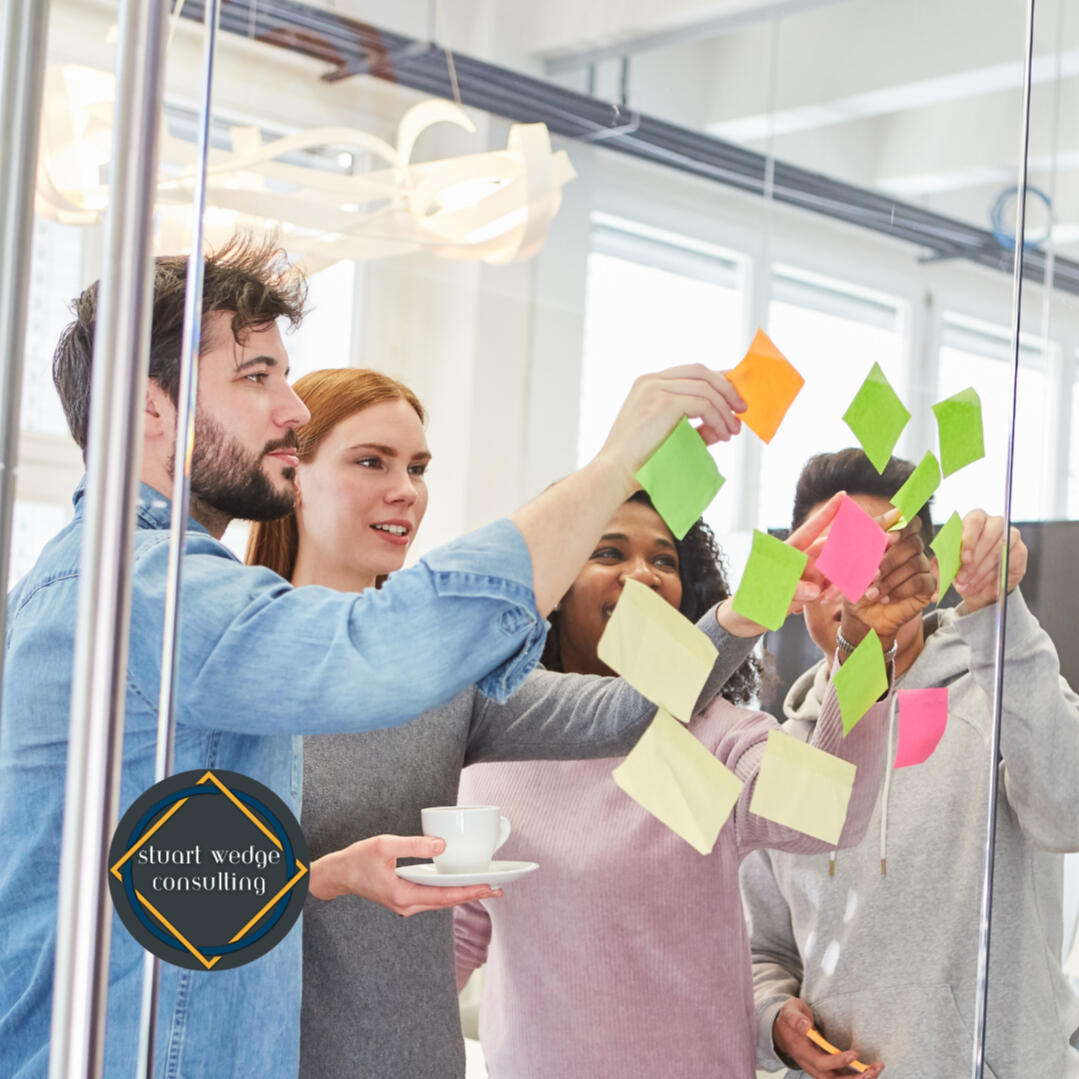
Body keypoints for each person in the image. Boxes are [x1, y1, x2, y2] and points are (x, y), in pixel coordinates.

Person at [0, 236, 748, 1078]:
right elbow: (378, 648)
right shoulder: (146, 589)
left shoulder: (125, 588)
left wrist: (313, 878)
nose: (289, 408)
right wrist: (614, 464)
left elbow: (161, 884)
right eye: (255, 375)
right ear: (146, 409)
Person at [245, 366, 775, 1078]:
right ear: (293, 474)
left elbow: (627, 709)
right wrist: (322, 877)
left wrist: (750, 606)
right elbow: (165, 892)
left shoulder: (446, 673)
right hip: (265, 1057)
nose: (405, 489)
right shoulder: (236, 660)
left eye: (419, 467)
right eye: (371, 461)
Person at [452, 483, 937, 1077]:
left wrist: (866, 644)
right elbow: (454, 938)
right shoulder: (493, 748)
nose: (644, 575)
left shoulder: (712, 736)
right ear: (551, 587)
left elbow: (827, 814)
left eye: (664, 560)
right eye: (608, 553)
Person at [740, 448, 1079, 1078]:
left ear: (929, 568)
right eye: (835, 560)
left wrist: (999, 615)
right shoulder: (780, 752)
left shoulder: (997, 687)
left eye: (881, 554)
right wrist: (776, 1023)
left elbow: (1072, 811)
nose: (863, 583)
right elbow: (765, 948)